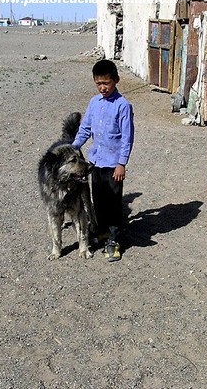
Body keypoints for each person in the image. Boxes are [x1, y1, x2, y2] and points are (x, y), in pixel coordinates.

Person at [73, 59, 134, 262]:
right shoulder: (94, 102)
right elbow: (85, 129)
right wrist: (73, 148)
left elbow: (127, 137)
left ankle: (114, 240)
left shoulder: (123, 106)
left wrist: (121, 163)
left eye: (106, 83)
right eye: (98, 83)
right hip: (95, 163)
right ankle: (102, 233)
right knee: (97, 201)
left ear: (116, 80)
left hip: (113, 165)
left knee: (113, 204)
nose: (102, 87)